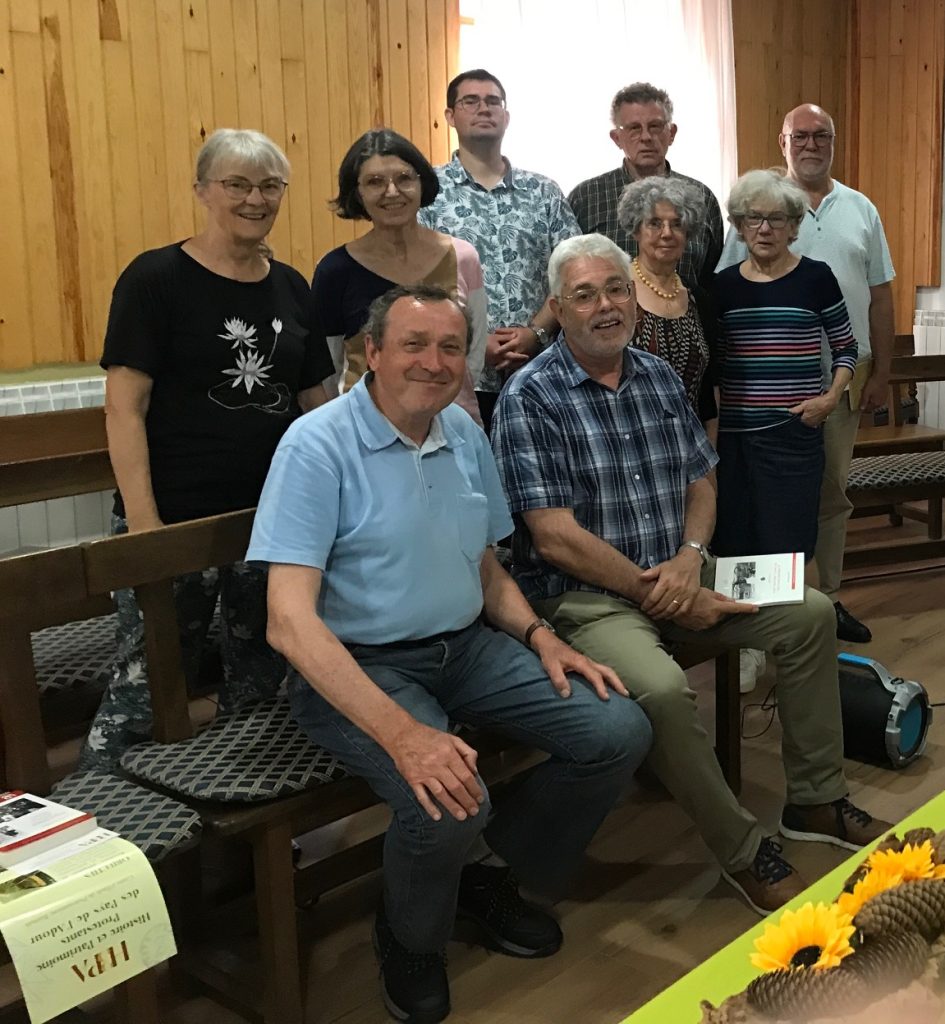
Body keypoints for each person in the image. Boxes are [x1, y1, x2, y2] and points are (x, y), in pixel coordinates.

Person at [247, 284, 652, 1024]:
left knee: (616, 730)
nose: (432, 364)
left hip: (465, 646)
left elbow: (486, 566)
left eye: (448, 348)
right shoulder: (315, 446)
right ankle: (409, 936)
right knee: (443, 801)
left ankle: (482, 876)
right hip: (357, 662)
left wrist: (541, 637)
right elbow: (289, 625)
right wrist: (404, 736)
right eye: (412, 344)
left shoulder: (462, 433)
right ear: (370, 353)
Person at [491, 233, 890, 918]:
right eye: (584, 295)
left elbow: (700, 479)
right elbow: (552, 538)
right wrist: (659, 592)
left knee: (809, 610)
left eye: (616, 289)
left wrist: (690, 558)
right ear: (556, 308)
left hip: (684, 568)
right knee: (663, 689)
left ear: (633, 300)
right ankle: (742, 852)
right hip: (590, 600)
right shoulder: (529, 396)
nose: (605, 305)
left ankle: (815, 801)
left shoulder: (655, 376)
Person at [78, 129, 333, 770]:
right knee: (149, 683)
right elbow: (123, 408)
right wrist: (143, 527)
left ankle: (234, 817)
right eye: (237, 184)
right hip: (175, 514)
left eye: (270, 186)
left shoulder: (292, 286)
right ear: (202, 192)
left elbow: (316, 404)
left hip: (268, 522)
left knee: (261, 679)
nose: (255, 199)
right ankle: (103, 829)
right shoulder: (155, 278)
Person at [718, 104, 895, 646]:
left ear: (833, 142)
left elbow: (881, 294)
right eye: (801, 136)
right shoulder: (755, 205)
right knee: (751, 504)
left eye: (822, 135)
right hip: (754, 398)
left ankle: (824, 598)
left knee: (828, 492)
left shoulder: (860, 209)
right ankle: (759, 616)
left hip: (839, 378)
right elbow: (727, 306)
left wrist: (881, 372)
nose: (811, 144)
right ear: (783, 141)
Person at [417, 68, 580, 432]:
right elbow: (416, 282)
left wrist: (535, 333)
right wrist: (474, 343)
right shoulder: (427, 192)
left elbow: (573, 271)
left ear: (506, 116)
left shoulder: (543, 192)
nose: (484, 109)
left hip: (541, 374)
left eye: (493, 102)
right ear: (450, 116)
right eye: (470, 101)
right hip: (457, 379)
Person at [713, 169, 858, 577]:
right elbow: (717, 364)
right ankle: (748, 637)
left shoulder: (816, 278)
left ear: (793, 226)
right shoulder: (722, 287)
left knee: (791, 546)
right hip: (735, 441)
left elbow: (847, 347)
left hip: (793, 434)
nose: (764, 228)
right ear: (739, 225)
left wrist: (829, 399)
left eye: (777, 218)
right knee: (736, 543)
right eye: (753, 217)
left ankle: (795, 634)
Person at [311, 128, 486, 424]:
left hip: (453, 425)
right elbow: (327, 371)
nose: (392, 192)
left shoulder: (463, 257)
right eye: (375, 182)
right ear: (357, 193)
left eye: (404, 178)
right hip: (366, 433)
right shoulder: (334, 271)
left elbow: (473, 355)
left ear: (422, 183)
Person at [569, 82, 723, 291]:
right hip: (608, 320)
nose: (646, 137)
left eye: (655, 126)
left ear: (672, 133)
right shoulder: (586, 197)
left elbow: (710, 277)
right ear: (616, 138)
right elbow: (570, 272)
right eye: (634, 128)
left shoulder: (701, 198)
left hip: (687, 317)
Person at [617, 176, 717, 425]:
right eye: (654, 223)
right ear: (636, 229)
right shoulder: (615, 294)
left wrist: (711, 457)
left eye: (677, 224)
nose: (667, 233)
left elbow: (708, 393)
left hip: (690, 448)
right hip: (626, 443)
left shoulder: (699, 300)